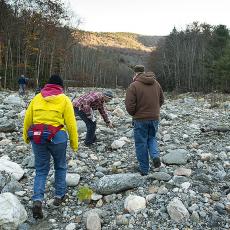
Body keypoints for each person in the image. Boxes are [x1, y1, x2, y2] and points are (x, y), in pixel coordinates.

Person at [23, 74, 78, 219]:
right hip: (58, 137)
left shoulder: (36, 98)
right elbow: (71, 123)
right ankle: (59, 196)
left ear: (47, 85)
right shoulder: (64, 99)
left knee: (41, 170)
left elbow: (28, 120)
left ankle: (37, 200)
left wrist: (26, 138)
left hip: (38, 137)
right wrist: (74, 143)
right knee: (60, 166)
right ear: (61, 87)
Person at [125, 65, 164, 176]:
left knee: (141, 143)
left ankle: (144, 169)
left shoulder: (133, 85)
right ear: (143, 71)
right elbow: (162, 100)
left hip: (140, 119)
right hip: (154, 118)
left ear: (135, 73)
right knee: (151, 138)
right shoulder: (156, 83)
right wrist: (154, 110)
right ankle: (155, 156)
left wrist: (134, 114)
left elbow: (129, 105)